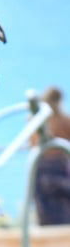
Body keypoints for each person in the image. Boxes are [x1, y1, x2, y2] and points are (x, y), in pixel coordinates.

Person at [33, 86, 70, 225]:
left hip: (41, 165)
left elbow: (32, 144)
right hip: (59, 166)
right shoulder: (65, 120)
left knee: (45, 207)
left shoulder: (35, 121)